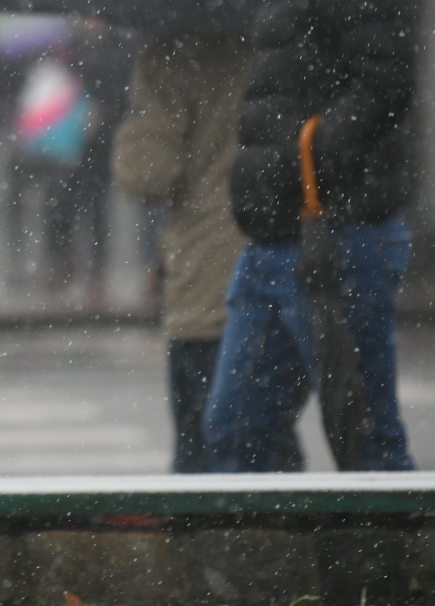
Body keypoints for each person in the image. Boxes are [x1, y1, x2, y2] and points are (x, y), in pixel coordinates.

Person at [203, 0, 417, 473]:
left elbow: (387, 82)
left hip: (337, 236)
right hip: (276, 237)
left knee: (367, 442)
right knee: (236, 430)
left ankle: (391, 549)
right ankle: (288, 544)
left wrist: (310, 155)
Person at [113, 33, 305, 473]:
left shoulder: (173, 54)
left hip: (207, 273)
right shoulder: (282, 42)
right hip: (284, 256)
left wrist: (134, 126)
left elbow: (147, 176)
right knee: (270, 441)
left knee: (204, 452)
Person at [50, 18, 137, 304]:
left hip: (101, 141)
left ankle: (97, 271)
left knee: (98, 208)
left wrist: (104, 114)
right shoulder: (71, 46)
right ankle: (65, 261)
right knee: (64, 203)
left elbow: (124, 91)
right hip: (71, 142)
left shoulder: (118, 48)